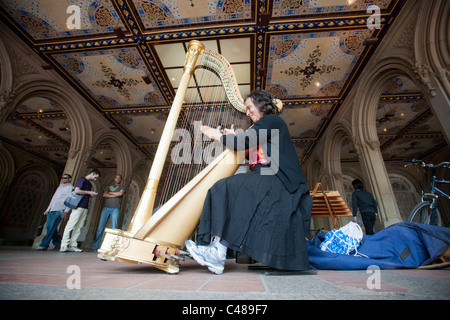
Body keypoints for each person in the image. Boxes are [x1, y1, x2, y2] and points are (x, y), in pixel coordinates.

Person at [185, 89, 313, 274]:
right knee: (228, 191)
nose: (247, 112)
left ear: (261, 105)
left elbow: (244, 142)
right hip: (265, 175)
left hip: (278, 178)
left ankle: (216, 253)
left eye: (249, 107)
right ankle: (216, 251)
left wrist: (217, 135)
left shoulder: (272, 120)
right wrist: (233, 135)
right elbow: (249, 145)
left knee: (224, 187)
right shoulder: (262, 127)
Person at [60, 169, 101, 252]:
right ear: (92, 174)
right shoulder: (82, 180)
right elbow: (77, 190)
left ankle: (73, 244)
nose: (95, 179)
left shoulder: (89, 183)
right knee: (71, 225)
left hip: (85, 207)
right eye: (95, 177)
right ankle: (64, 244)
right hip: (78, 206)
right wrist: (89, 192)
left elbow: (85, 193)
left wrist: (90, 194)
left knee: (79, 227)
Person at [38, 174, 73, 250]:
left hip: (60, 209)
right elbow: (54, 198)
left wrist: (66, 211)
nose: (63, 179)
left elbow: (70, 200)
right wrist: (48, 209)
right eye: (62, 178)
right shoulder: (60, 187)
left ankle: (44, 244)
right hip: (52, 209)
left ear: (70, 179)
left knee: (51, 227)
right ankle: (57, 241)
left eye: (65, 178)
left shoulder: (70, 188)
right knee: (49, 227)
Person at [91, 174, 126, 250]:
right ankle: (95, 246)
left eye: (119, 178)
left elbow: (120, 193)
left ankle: (111, 246)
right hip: (106, 208)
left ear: (121, 180)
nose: (117, 179)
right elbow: (104, 195)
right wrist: (115, 195)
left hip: (116, 209)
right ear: (114, 179)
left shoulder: (122, 187)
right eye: (116, 177)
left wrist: (109, 194)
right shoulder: (108, 187)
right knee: (100, 227)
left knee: (114, 228)